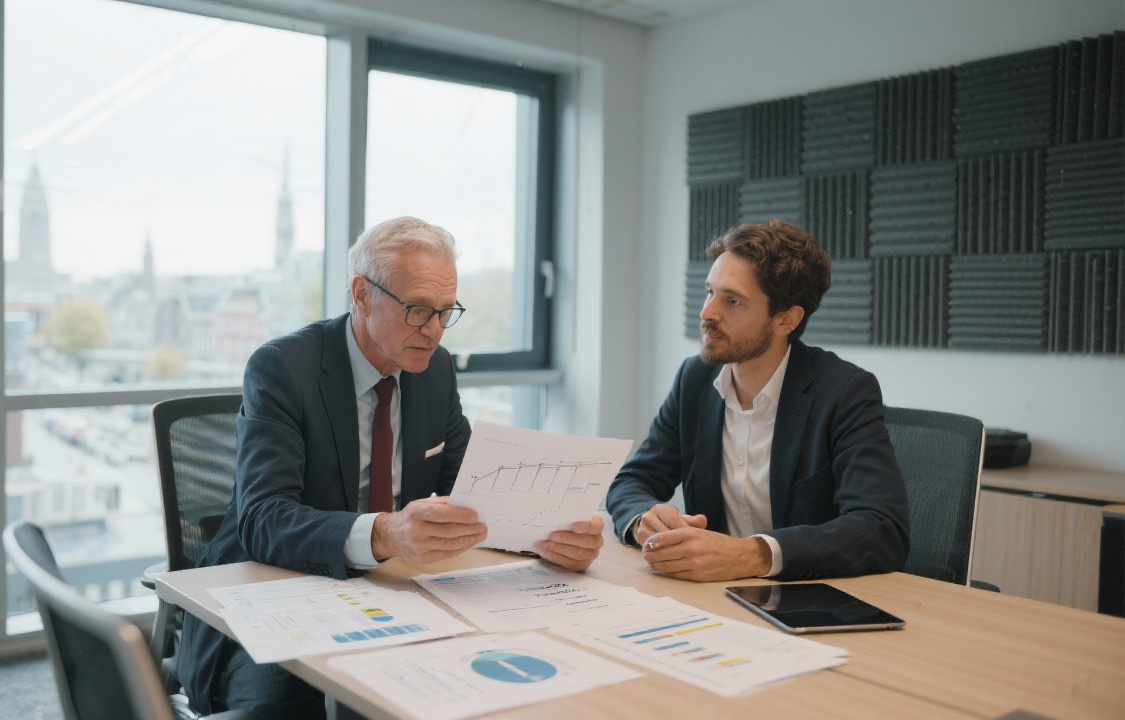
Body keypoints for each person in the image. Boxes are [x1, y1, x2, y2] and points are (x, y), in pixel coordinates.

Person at [178, 216, 605, 718]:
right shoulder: (283, 368)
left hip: (395, 597)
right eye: (419, 310)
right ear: (362, 295)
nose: (435, 331)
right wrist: (384, 533)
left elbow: (470, 493)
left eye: (447, 312)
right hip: (276, 598)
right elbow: (263, 519)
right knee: (297, 707)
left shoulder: (435, 369)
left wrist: (552, 534)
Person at [606, 219, 909, 583]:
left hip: (807, 599)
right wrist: (644, 518)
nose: (707, 313)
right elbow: (632, 480)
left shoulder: (843, 391)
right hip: (716, 596)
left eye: (732, 301)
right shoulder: (695, 380)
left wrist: (752, 554)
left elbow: (880, 528)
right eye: (709, 292)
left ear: (785, 320)